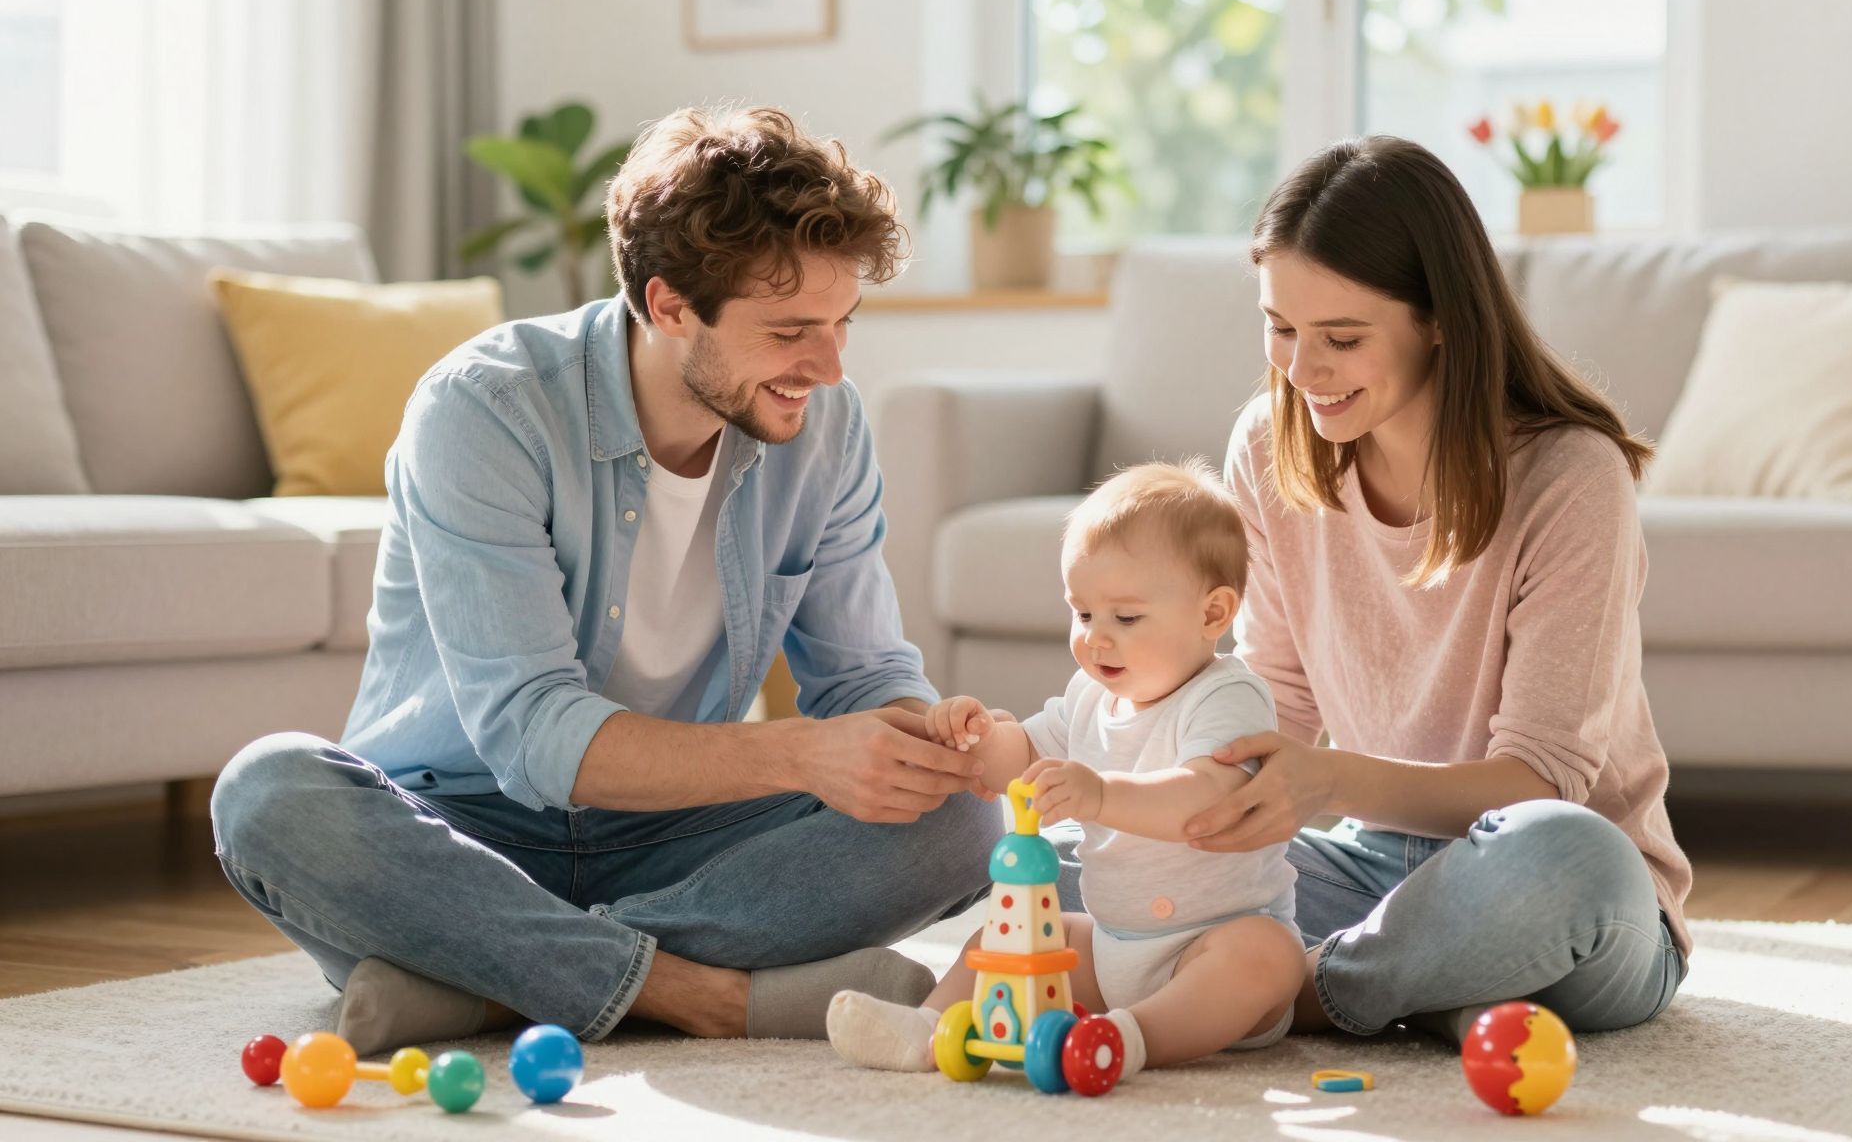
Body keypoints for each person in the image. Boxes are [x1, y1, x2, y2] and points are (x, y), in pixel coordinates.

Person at [209, 105, 1001, 1052]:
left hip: (677, 837)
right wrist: (801, 753)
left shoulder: (825, 427)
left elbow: (864, 675)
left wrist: (929, 741)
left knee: (963, 818)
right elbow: (533, 734)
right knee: (266, 794)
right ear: (669, 306)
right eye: (792, 330)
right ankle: (699, 996)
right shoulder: (485, 408)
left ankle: (485, 982)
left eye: (841, 325)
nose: (828, 368)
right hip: (457, 829)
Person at [1171, 135, 1693, 1043]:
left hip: (1554, 889)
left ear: (1441, 317)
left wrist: (1329, 781)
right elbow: (1276, 700)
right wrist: (1157, 800)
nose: (1302, 371)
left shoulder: (1571, 476)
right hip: (1368, 872)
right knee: (1083, 855)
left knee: (1567, 857)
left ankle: (1289, 987)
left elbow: (1541, 783)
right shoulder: (1268, 444)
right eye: (1281, 328)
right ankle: (1436, 988)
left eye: (1342, 339)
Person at [827, 461, 1303, 1077]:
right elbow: (1025, 756)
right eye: (1083, 615)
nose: (1096, 639)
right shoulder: (1090, 695)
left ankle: (1130, 1040)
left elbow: (1207, 799)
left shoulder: (1227, 696)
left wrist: (1100, 795)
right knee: (1007, 938)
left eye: (1125, 619)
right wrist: (974, 738)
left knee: (1267, 956)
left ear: (1213, 614)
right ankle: (926, 1027)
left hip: (1214, 946)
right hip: (1111, 949)